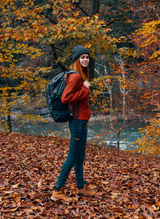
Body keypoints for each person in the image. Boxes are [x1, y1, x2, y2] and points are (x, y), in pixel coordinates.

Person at [51, 45, 97, 202]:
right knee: (72, 156)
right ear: (77, 59)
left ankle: (81, 186)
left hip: (81, 120)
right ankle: (57, 190)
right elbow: (65, 98)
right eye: (82, 57)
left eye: (87, 57)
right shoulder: (76, 77)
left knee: (80, 156)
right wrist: (85, 90)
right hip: (77, 121)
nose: (85, 60)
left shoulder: (81, 75)